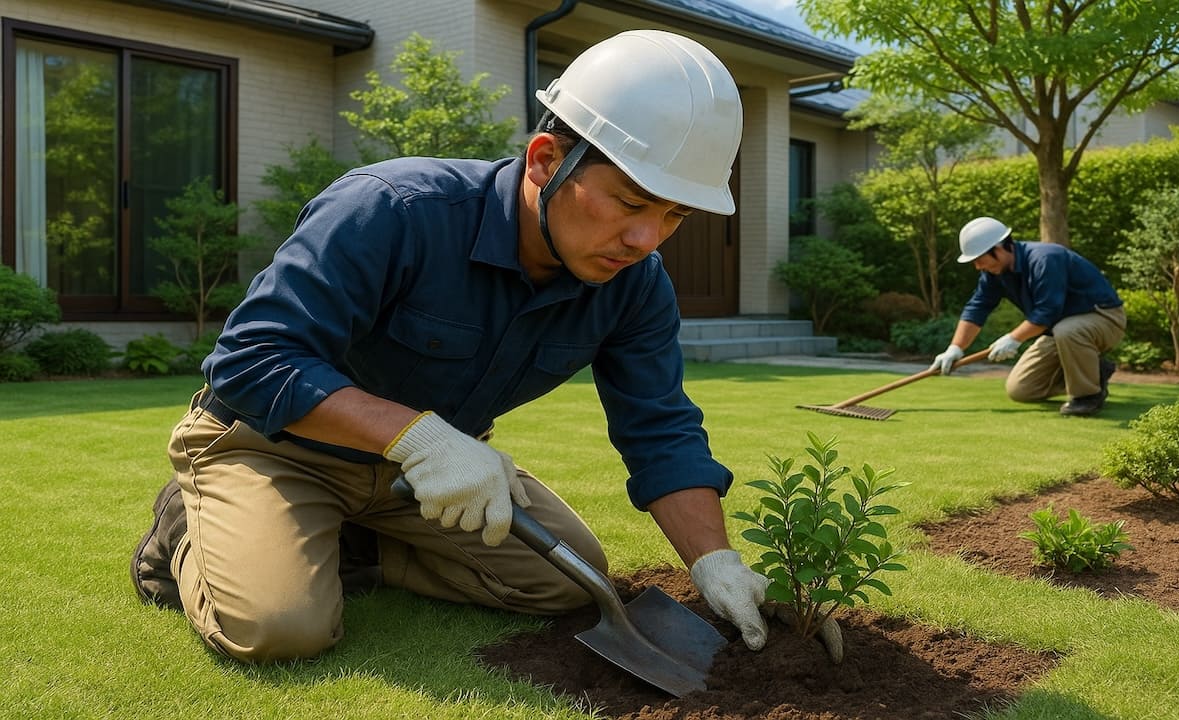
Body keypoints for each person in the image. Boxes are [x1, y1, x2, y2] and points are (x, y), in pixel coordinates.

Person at [130, 29, 842, 667]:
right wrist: (417, 438)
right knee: (282, 626)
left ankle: (347, 545)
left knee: (567, 581)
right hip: (273, 445)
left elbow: (658, 425)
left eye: (674, 215)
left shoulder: (634, 285)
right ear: (545, 160)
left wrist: (714, 560)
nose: (646, 241)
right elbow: (253, 360)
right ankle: (188, 532)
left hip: (423, 479)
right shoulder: (394, 210)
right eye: (630, 203)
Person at [930, 216, 1126, 416]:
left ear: (999, 249)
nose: (978, 267)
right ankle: (1095, 373)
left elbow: (1047, 311)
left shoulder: (1045, 259)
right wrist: (955, 349)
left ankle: (1087, 397)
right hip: (1061, 331)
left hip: (1103, 318)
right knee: (1021, 389)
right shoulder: (994, 273)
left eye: (979, 260)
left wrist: (1013, 338)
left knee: (1066, 331)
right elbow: (977, 307)